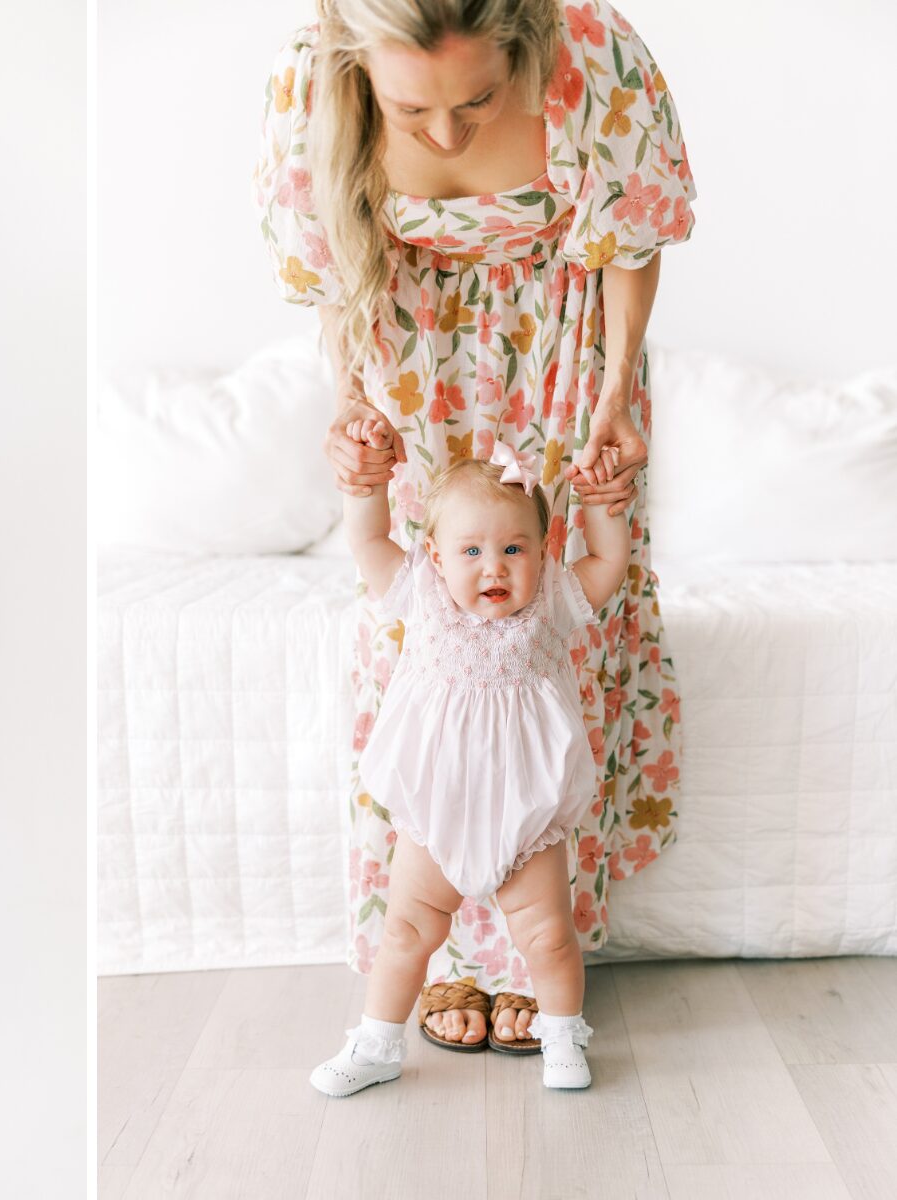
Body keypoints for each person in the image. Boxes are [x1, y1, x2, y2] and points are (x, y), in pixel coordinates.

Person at [255, 0, 692, 1054]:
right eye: (413, 110)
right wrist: (355, 396)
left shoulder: (590, 45)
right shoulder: (311, 73)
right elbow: (327, 268)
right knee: (432, 631)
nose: (446, 137)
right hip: (408, 348)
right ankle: (443, 949)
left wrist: (614, 394)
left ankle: (536, 954)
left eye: (478, 100)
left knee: (543, 623)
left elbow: (630, 233)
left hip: (559, 344)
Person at [312, 432, 626, 1096]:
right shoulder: (420, 594)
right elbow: (369, 543)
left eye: (514, 549)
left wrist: (604, 503)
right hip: (436, 810)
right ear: (436, 556)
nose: (494, 568)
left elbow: (607, 562)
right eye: (472, 551)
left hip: (525, 809)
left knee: (549, 936)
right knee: (405, 929)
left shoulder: (551, 602)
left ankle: (563, 1035)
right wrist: (365, 490)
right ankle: (377, 1042)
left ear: (542, 554)